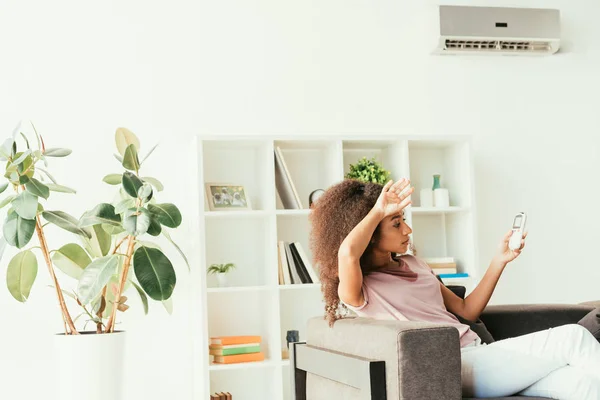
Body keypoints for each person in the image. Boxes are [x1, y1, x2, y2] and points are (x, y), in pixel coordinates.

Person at [309, 178, 600, 399]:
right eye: (396, 224)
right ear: (370, 235)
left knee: (582, 384)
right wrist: (377, 211)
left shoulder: (415, 264)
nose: (407, 231)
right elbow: (347, 253)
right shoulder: (360, 289)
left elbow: (466, 310)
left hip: (482, 355)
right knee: (573, 337)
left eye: (404, 221)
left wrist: (500, 260)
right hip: (454, 367)